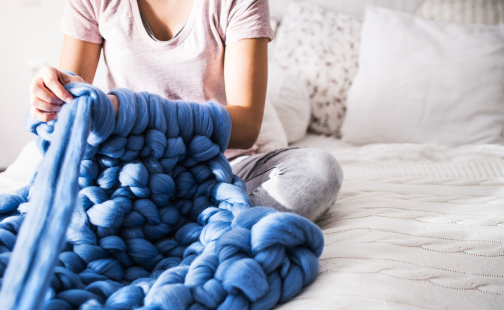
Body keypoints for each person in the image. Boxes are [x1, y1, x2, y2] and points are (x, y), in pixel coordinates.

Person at [29, 0, 343, 223]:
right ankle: (219, 225)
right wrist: (53, 94)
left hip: (224, 168)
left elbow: (246, 125)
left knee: (318, 171)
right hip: (133, 169)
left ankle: (180, 224)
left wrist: (138, 112)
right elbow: (73, 104)